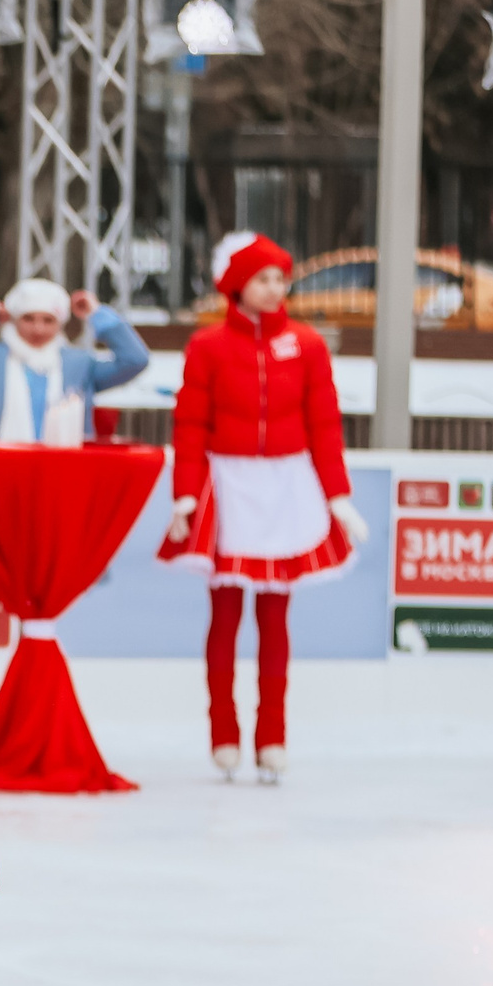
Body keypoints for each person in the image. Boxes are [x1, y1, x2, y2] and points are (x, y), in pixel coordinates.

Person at [159, 232, 369, 782]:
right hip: (228, 486)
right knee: (224, 615)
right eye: (263, 279)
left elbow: (325, 423)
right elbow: (190, 424)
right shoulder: (207, 347)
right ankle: (223, 732)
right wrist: (185, 493)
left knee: (275, 617)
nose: (276, 288)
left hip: (286, 488)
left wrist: (338, 497)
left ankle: (272, 734)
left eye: (280, 278)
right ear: (237, 286)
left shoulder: (307, 345)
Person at [0, 277, 152, 714]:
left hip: (48, 493)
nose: (38, 328)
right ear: (13, 316)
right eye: (28, 318)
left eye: (49, 319)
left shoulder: (78, 363)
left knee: (43, 591)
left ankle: (30, 698)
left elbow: (133, 359)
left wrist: (99, 317)